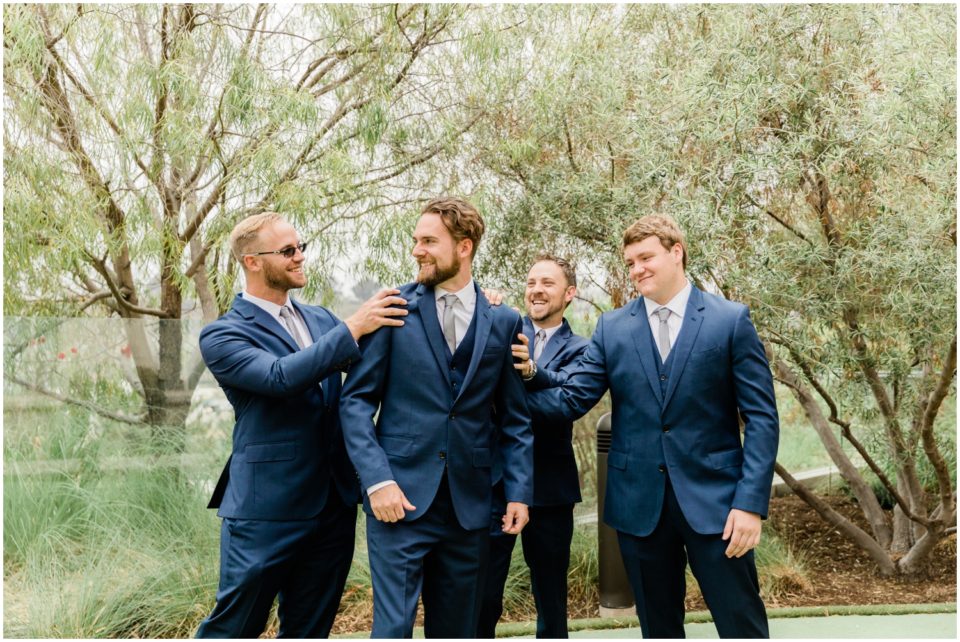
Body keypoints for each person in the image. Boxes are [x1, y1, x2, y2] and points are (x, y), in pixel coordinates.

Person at [528, 215, 779, 638]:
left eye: (646, 257)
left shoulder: (729, 320)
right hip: (638, 507)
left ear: (676, 251)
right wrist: (504, 394)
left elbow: (761, 418)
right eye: (630, 262)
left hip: (718, 505)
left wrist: (750, 503)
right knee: (658, 630)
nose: (637, 269)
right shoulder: (612, 327)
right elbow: (571, 399)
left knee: (742, 625)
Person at [195, 212, 408, 638]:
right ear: (252, 261)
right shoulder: (222, 335)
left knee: (311, 630)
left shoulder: (322, 320)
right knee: (234, 627)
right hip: (266, 512)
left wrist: (477, 303)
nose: (299, 257)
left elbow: (379, 368)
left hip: (333, 507)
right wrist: (353, 325)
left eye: (300, 247)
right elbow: (280, 377)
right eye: (288, 251)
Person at [339, 197, 534, 638]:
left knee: (458, 630)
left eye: (428, 241)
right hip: (399, 501)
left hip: (471, 505)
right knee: (392, 629)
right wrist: (377, 481)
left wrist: (519, 492)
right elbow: (355, 403)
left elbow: (514, 419)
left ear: (464, 247)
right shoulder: (392, 309)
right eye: (416, 241)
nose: (417, 251)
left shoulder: (503, 319)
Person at [477, 255, 589, 639]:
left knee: (551, 598)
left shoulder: (583, 349)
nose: (536, 290)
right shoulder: (500, 326)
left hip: (551, 487)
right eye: (531, 282)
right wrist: (483, 300)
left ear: (569, 293)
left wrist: (526, 379)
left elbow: (567, 402)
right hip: (496, 483)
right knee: (485, 594)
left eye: (547, 283)